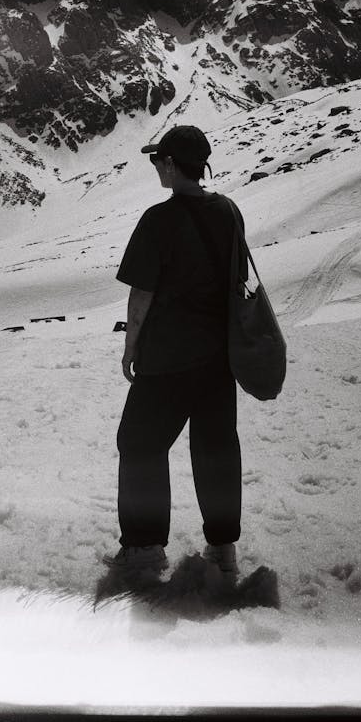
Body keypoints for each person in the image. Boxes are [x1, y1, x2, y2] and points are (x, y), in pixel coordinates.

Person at [103, 125, 245, 576]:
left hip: (167, 358)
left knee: (140, 443)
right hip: (220, 357)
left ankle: (145, 549)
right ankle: (223, 550)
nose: (155, 169)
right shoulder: (228, 211)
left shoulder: (158, 220)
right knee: (215, 448)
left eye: (157, 161)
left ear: (169, 163)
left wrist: (130, 345)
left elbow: (141, 294)